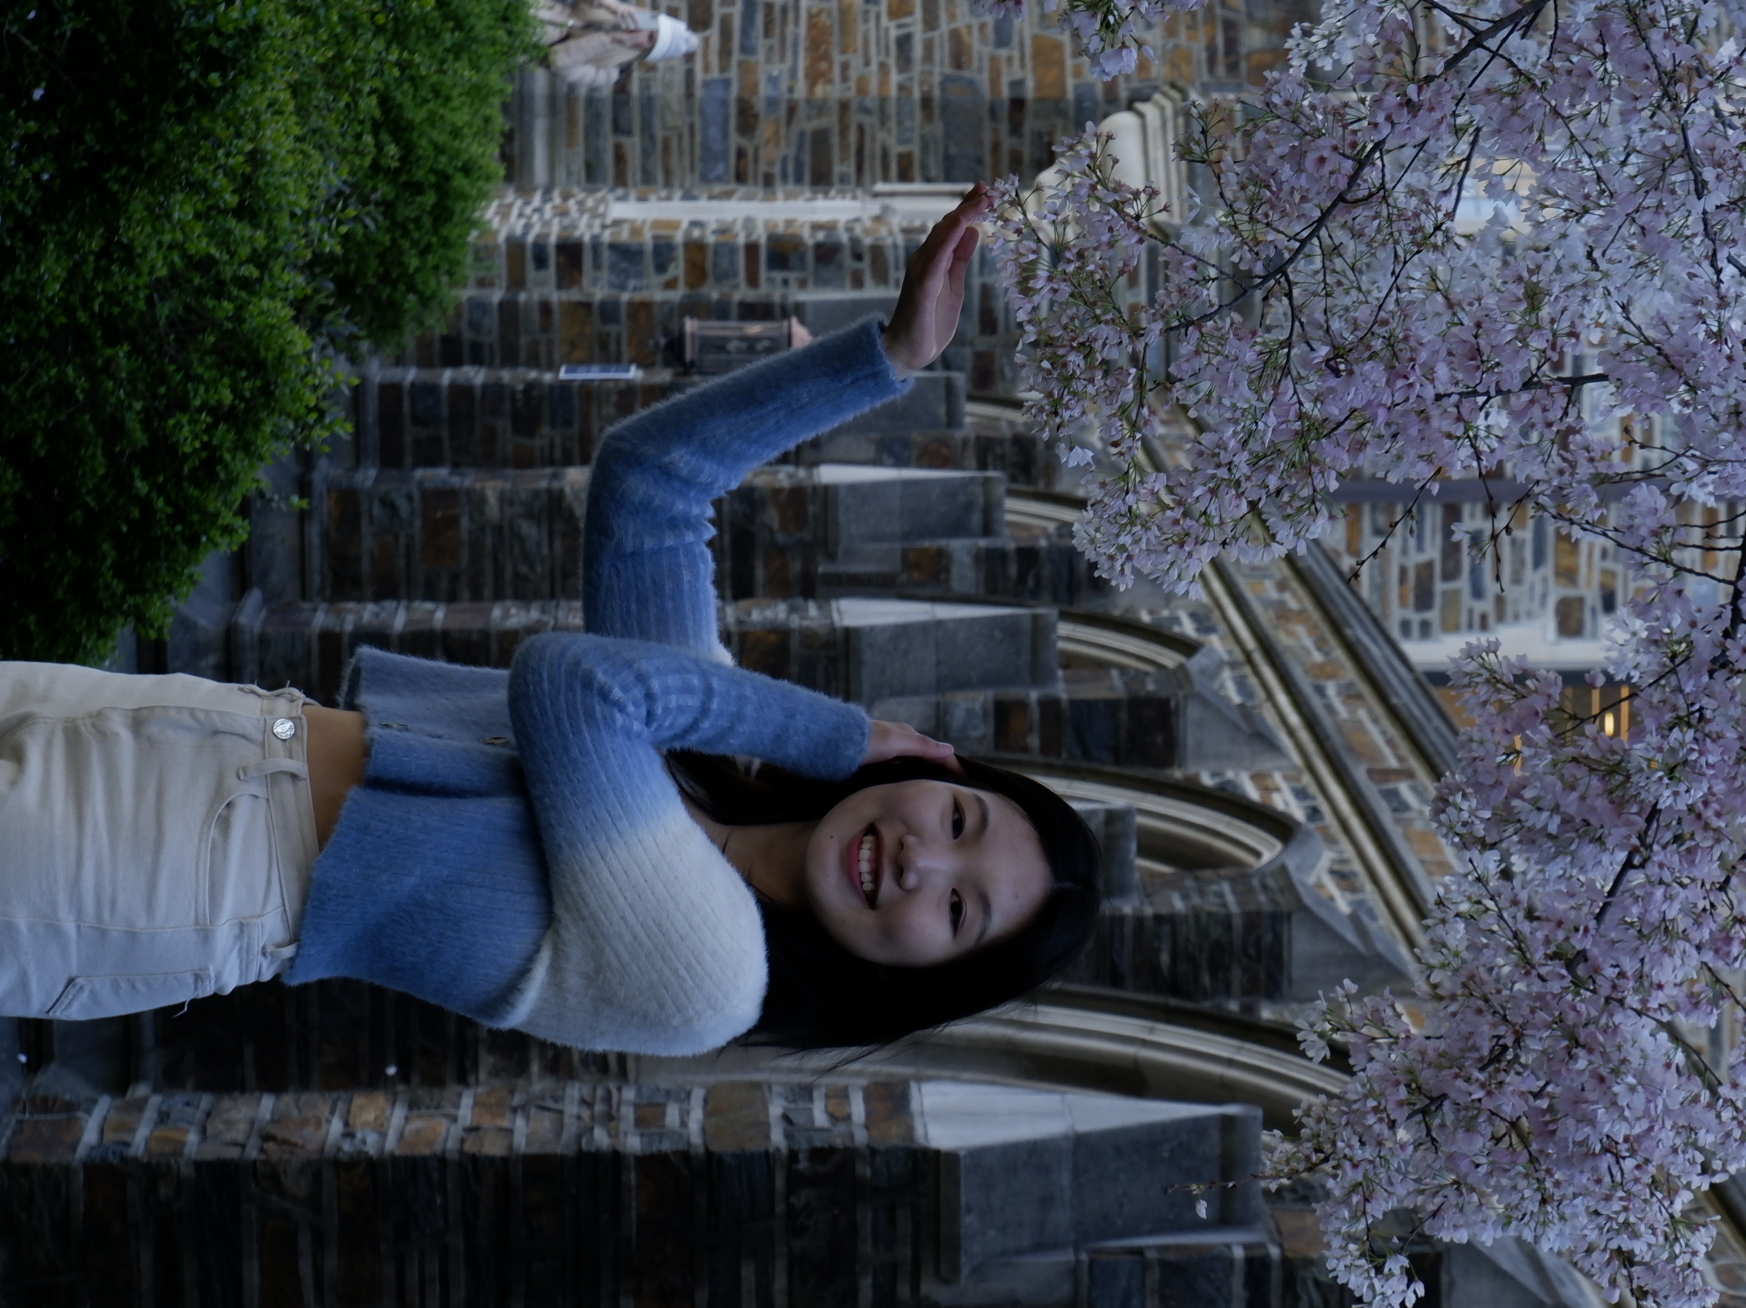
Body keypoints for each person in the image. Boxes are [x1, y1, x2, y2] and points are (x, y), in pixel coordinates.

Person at [0, 184, 1101, 1054]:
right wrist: (886, 361)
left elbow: (576, 688)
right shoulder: (703, 765)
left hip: (168, 874)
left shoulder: (711, 976)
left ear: (921, 976)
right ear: (936, 774)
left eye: (958, 913)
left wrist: (834, 736)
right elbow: (651, 482)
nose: (919, 863)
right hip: (191, 726)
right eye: (957, 822)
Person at [533, 0, 703, 90]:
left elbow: (557, 60)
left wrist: (610, 40)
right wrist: (609, 3)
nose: (642, 33)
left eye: (650, 38)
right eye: (650, 27)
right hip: (527, 5)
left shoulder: (610, 73)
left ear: (647, 51)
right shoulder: (612, 9)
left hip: (523, 43)